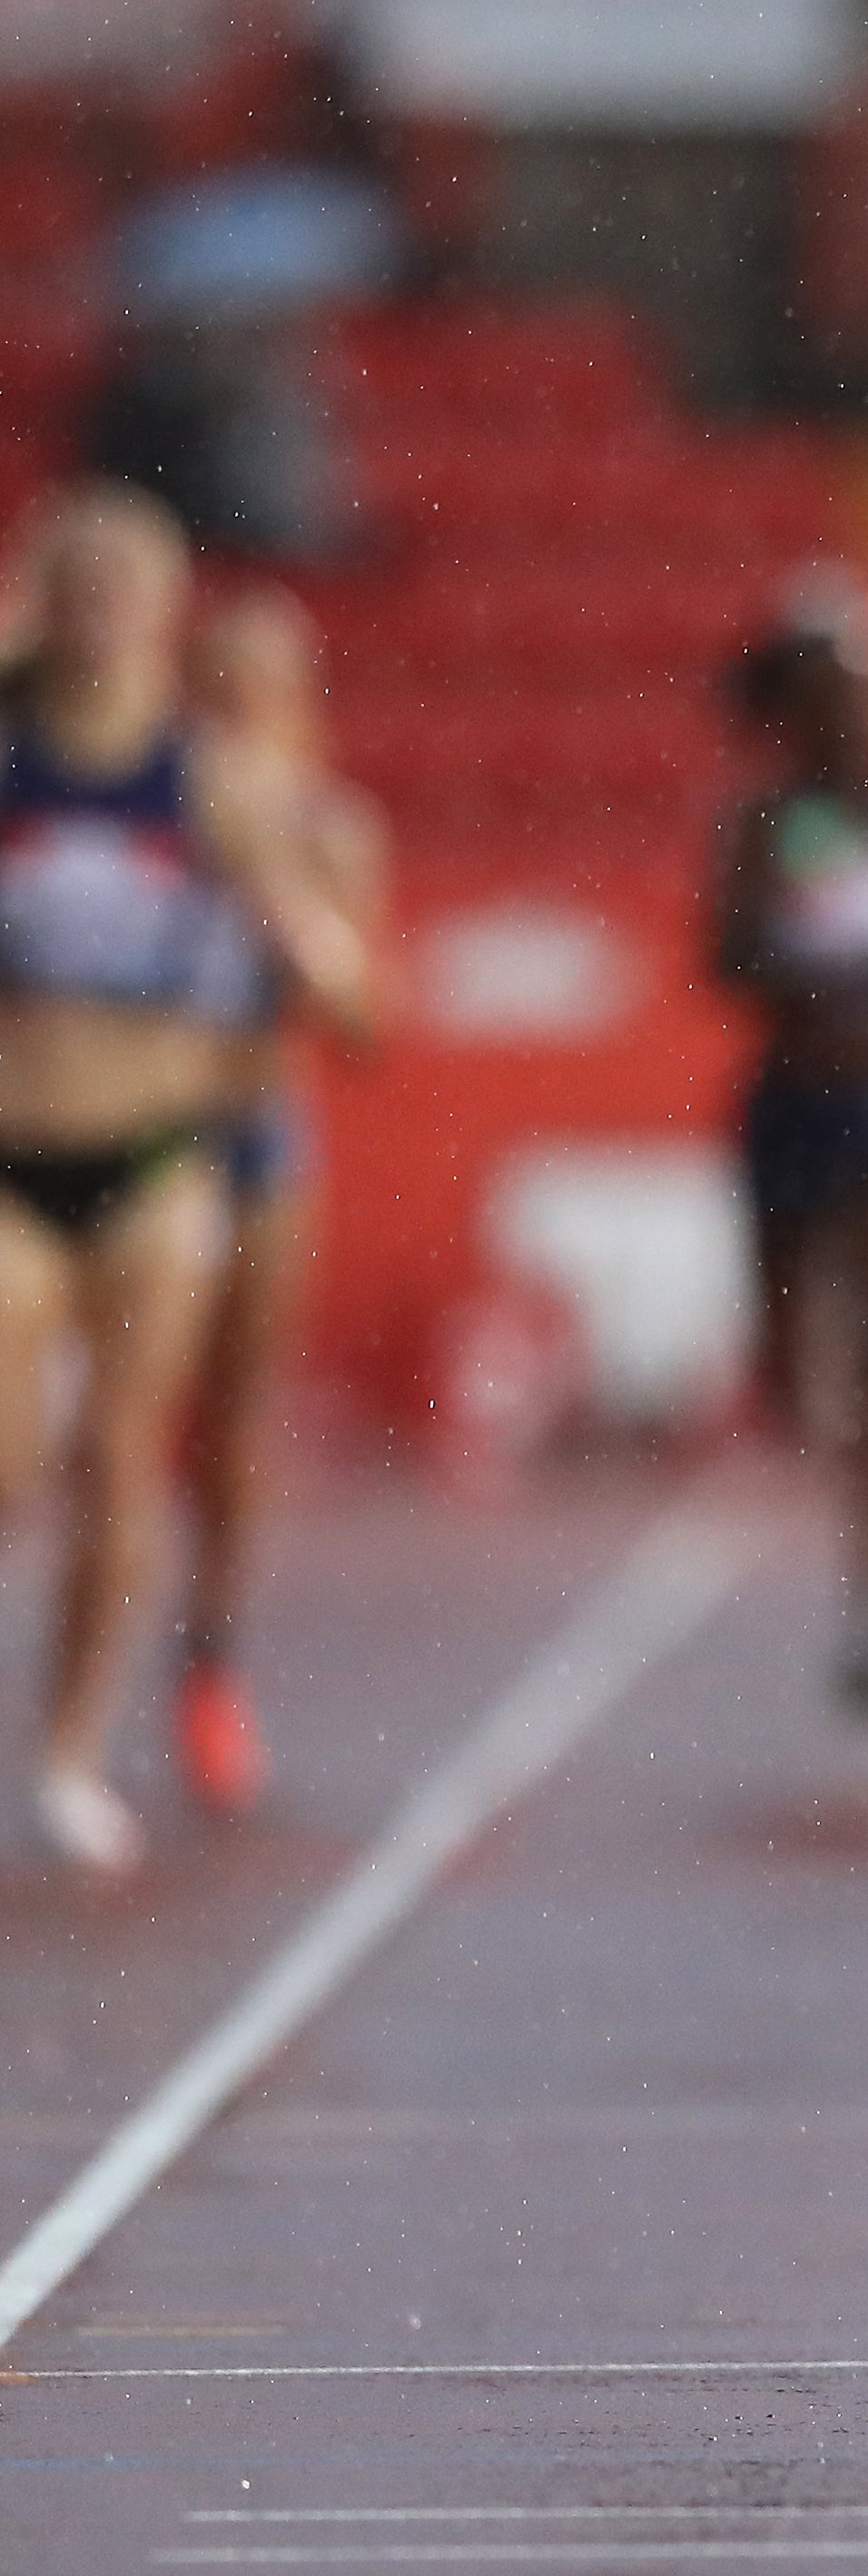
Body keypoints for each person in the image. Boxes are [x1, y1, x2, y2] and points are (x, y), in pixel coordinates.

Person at [0, 484, 370, 1871]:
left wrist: (323, 952)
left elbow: (341, 976)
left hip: (165, 1154)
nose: (98, 616)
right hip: (17, 1155)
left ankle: (74, 1745)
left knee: (128, 1457)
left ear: (159, 615)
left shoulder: (206, 779)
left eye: (124, 591)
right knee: (10, 1461)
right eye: (74, 586)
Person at [706, 575, 868, 1720]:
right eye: (830, 692)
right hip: (791, 1103)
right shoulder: (761, 819)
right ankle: (809, 1402)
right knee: (792, 1374)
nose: (856, 714)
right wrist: (819, 954)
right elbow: (725, 957)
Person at [164, 583, 387, 1812]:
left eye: (263, 687)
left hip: (252, 1133)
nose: (239, 710)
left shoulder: (331, 828)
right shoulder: (150, 807)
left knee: (229, 1419)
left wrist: (300, 925)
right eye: (219, 685)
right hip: (134, 1125)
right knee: (101, 1425)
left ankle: (212, 1653)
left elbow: (363, 1028)